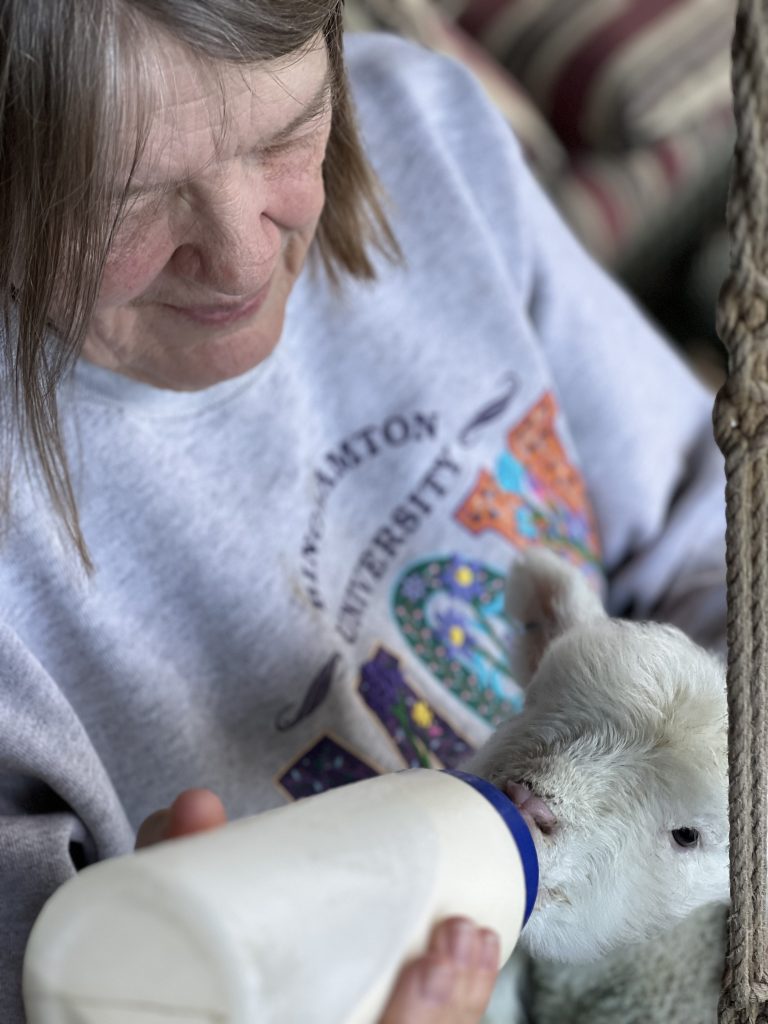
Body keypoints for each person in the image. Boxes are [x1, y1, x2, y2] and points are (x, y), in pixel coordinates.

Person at [0, 1, 727, 1022]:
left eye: (286, 133)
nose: (246, 259)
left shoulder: (417, 130)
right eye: (119, 198)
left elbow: (713, 531)